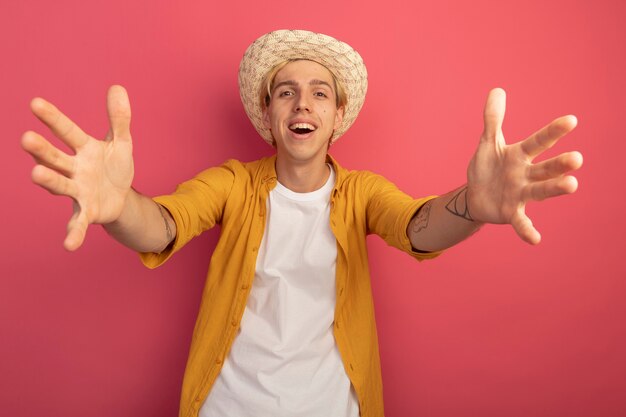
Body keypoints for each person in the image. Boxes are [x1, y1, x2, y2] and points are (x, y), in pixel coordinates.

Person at [21, 30, 583, 417]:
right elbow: (165, 224)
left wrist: (473, 205)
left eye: (319, 93)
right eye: (286, 93)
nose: (302, 105)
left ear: (338, 115)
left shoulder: (362, 192)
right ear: (268, 114)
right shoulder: (232, 183)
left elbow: (417, 226)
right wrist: (119, 208)